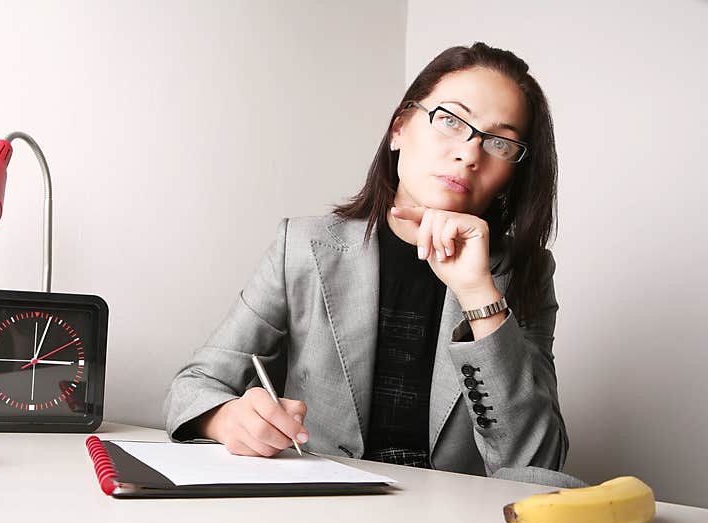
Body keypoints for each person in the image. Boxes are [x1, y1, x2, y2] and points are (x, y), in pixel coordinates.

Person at [163, 42, 583, 486]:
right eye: (451, 121)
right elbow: (191, 387)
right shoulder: (304, 247)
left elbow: (536, 463)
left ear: (511, 175)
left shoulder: (521, 273)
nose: (470, 154)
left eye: (499, 142)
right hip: (322, 512)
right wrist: (228, 419)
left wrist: (479, 293)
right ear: (399, 129)